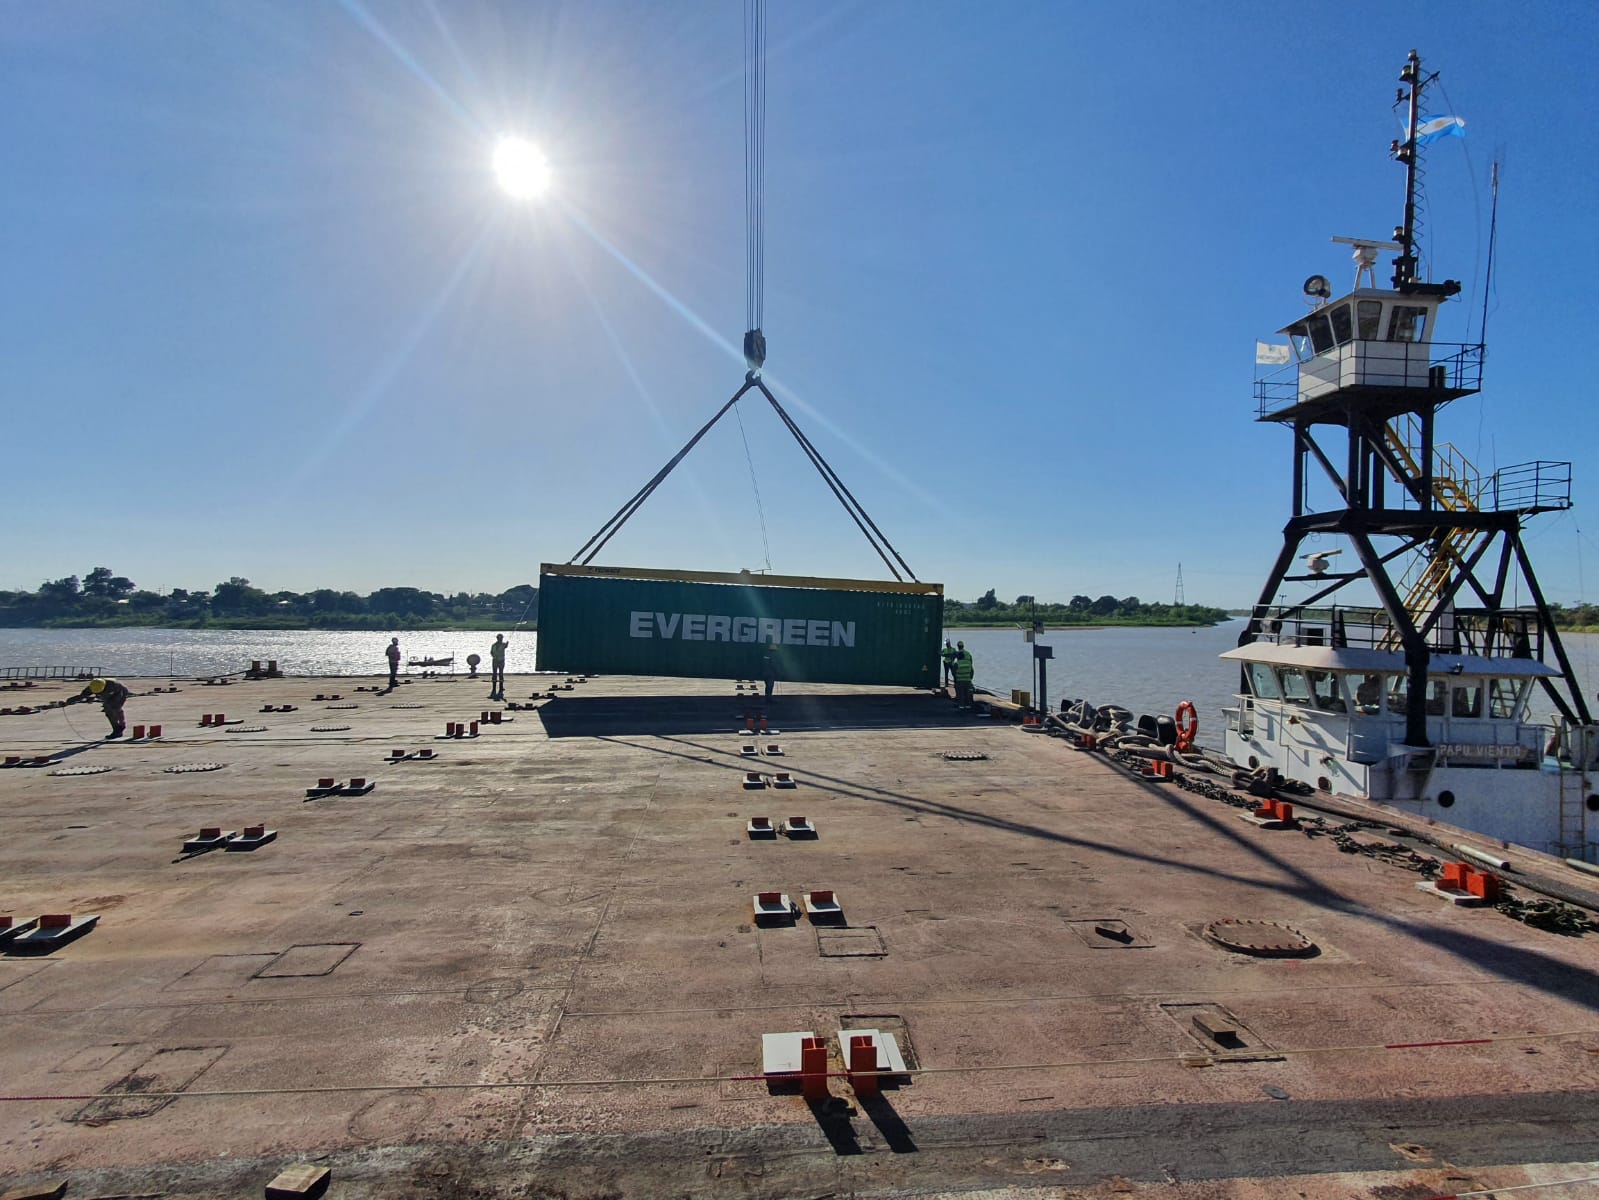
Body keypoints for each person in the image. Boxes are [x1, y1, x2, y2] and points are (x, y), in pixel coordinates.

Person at [953, 640, 975, 709]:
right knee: (968, 695)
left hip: (959, 681)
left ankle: (961, 708)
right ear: (963, 646)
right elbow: (972, 671)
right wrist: (970, 678)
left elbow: (954, 672)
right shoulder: (968, 655)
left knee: (960, 695)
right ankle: (968, 707)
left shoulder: (957, 663)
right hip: (968, 680)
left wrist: (956, 679)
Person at [489, 634, 507, 700]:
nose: (500, 639)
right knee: (494, 674)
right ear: (497, 638)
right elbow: (491, 652)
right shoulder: (493, 645)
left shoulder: (503, 644)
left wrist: (507, 644)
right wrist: (494, 656)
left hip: (501, 660)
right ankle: (494, 688)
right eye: (499, 638)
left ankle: (501, 688)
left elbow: (506, 646)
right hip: (495, 661)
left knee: (501, 674)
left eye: (501, 638)